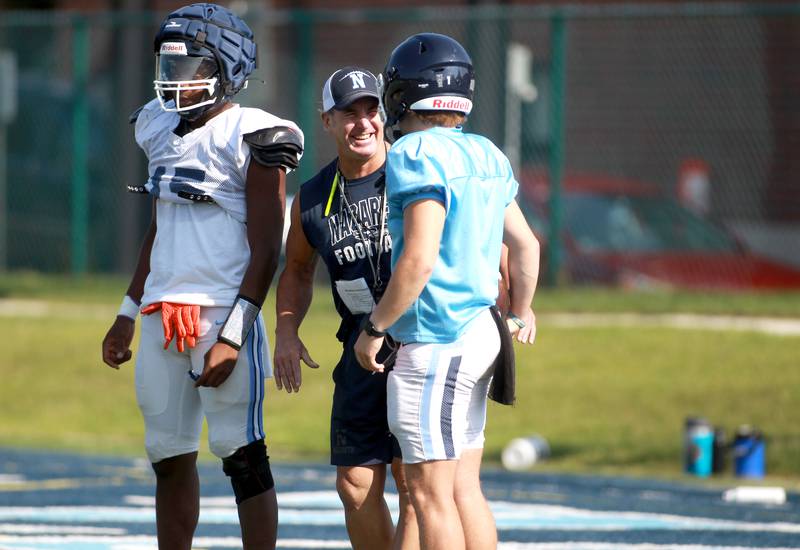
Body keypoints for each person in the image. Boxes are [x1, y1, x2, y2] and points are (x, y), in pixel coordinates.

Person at [100, 4, 303, 549]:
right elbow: (160, 227)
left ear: (226, 68)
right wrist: (125, 311)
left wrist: (234, 334)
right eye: (168, 68)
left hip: (222, 313)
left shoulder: (254, 133)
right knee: (167, 457)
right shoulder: (157, 125)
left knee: (242, 457)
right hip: (162, 313)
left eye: (187, 68)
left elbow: (267, 248)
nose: (174, 82)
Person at [354, 33, 540, 550]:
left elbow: (418, 257)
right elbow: (526, 246)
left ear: (402, 92)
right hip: (483, 328)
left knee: (430, 494)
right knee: (462, 489)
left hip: (439, 337)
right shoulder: (486, 151)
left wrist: (375, 328)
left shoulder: (414, 151)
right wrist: (521, 312)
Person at [273, 66, 418, 550]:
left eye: (371, 110)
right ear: (326, 121)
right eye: (348, 113)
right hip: (359, 348)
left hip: (419, 344)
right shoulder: (314, 197)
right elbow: (295, 268)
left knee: (414, 482)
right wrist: (287, 331)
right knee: (354, 484)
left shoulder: (413, 173)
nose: (363, 123)